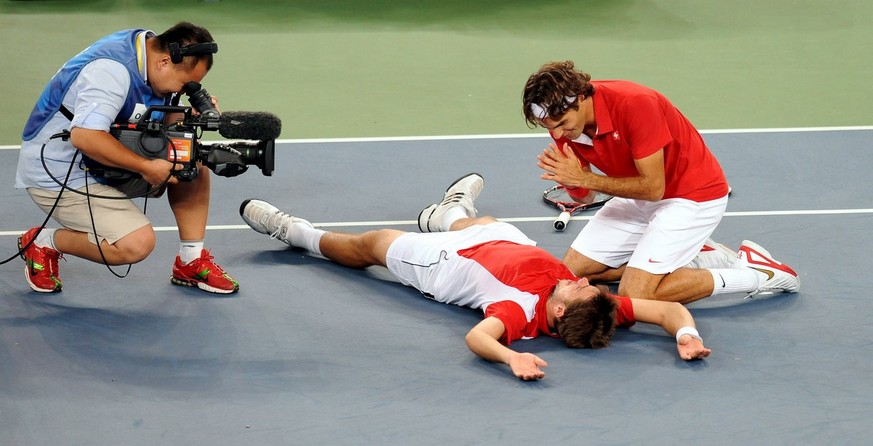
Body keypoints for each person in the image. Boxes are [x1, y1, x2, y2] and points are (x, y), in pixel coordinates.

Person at [241, 173, 720, 381]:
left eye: (580, 289)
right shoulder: (594, 308)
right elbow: (667, 310)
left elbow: (477, 336)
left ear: (556, 311)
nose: (588, 283)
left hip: (444, 265)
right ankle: (450, 212)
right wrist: (686, 334)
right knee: (488, 222)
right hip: (506, 244)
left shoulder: (520, 312)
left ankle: (296, 232)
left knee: (371, 244)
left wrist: (510, 358)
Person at [521, 60, 799, 304]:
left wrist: (585, 178)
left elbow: (655, 189)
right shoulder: (562, 124)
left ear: (580, 97)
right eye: (550, 127)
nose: (558, 133)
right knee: (569, 275)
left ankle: (759, 275)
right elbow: (586, 197)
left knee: (636, 296)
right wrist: (571, 180)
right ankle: (695, 256)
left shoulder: (635, 104)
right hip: (637, 195)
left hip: (692, 196)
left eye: (562, 123)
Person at [14, 22, 238, 294]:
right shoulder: (110, 71)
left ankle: (190, 261)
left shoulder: (150, 50)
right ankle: (43, 242)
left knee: (191, 160)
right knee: (137, 244)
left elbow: (148, 115)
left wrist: (186, 117)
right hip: (58, 172)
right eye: (183, 84)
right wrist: (145, 167)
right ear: (165, 62)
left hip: (101, 162)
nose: (181, 90)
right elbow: (85, 137)